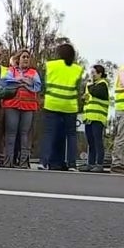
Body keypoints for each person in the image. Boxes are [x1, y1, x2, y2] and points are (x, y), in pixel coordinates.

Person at [41, 42, 84, 171]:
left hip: (52, 103)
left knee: (49, 133)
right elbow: (78, 89)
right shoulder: (77, 69)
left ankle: (44, 161)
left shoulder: (50, 65)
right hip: (69, 105)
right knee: (71, 135)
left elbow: (45, 84)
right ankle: (72, 164)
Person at [0, 49, 41, 168]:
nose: (26, 59)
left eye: (28, 57)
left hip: (28, 106)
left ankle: (24, 162)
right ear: (18, 59)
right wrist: (21, 80)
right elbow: (5, 82)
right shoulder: (11, 70)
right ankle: (8, 161)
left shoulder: (33, 72)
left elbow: (37, 86)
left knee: (25, 134)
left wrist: (27, 84)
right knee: (10, 134)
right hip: (12, 105)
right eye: (23, 57)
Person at [81, 64, 110, 172]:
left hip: (98, 117)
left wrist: (88, 86)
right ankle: (90, 163)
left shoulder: (102, 84)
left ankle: (99, 164)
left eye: (94, 73)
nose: (92, 75)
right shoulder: (91, 85)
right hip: (89, 118)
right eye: (91, 73)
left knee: (98, 141)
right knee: (91, 142)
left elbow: (97, 92)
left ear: (100, 74)